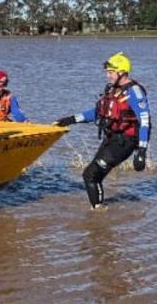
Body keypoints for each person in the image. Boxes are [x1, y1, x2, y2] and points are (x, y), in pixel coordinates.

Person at [54, 52, 150, 209]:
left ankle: (99, 212)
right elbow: (99, 112)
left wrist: (142, 151)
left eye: (111, 72)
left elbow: (145, 121)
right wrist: (70, 119)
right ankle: (100, 216)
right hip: (111, 139)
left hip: (125, 142)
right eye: (107, 72)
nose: (108, 76)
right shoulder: (113, 90)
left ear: (122, 72)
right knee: (93, 176)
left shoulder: (135, 92)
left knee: (90, 175)